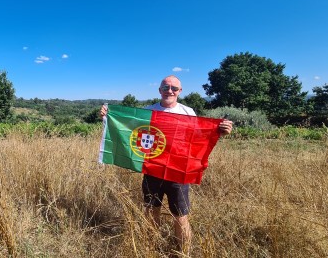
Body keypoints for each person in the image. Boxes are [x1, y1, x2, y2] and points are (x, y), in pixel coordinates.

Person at [100, 75, 233, 254]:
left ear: (180, 91)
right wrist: (108, 116)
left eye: (174, 88)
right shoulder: (149, 111)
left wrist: (220, 132)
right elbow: (127, 129)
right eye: (166, 87)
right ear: (159, 90)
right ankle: (151, 249)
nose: (169, 91)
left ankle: (183, 253)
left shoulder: (188, 112)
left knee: (181, 217)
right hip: (152, 171)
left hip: (178, 173)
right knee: (150, 213)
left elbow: (200, 137)